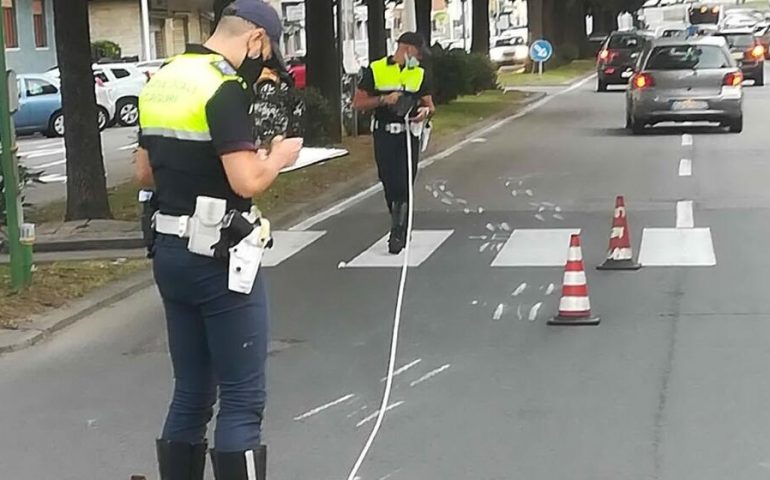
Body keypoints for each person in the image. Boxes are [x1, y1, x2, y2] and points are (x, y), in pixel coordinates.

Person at [133, 0, 302, 478]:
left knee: (190, 392)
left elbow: (145, 173)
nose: (260, 69)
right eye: (265, 58)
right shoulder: (225, 89)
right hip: (219, 255)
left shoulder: (162, 79)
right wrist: (279, 157)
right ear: (254, 41)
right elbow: (246, 180)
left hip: (170, 250)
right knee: (242, 400)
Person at [352, 32, 436, 254]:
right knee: (389, 181)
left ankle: (398, 231)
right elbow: (358, 103)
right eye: (417, 54)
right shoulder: (376, 70)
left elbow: (430, 105)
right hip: (384, 134)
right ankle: (398, 218)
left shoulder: (418, 74)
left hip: (409, 134)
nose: (418, 59)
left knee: (404, 182)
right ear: (407, 49)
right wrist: (383, 99)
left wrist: (425, 112)